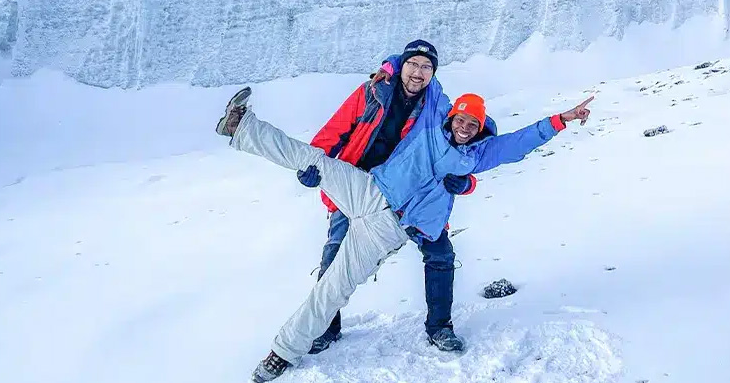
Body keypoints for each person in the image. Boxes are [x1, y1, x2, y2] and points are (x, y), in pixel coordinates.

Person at [215, 78, 592, 382]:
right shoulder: (431, 122)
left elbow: (519, 142)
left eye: (472, 124)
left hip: (387, 230)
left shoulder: (477, 155)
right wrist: (389, 66)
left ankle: (280, 354)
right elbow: (422, 67)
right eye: (461, 119)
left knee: (334, 287)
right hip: (368, 190)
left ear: (479, 129)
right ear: (451, 116)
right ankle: (241, 127)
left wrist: (562, 119)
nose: (464, 126)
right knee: (315, 160)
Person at [298, 40, 477, 354]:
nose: (418, 73)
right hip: (357, 187)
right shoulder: (372, 92)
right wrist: (310, 165)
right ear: (402, 65)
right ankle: (327, 328)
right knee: (334, 256)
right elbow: (334, 130)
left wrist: (466, 182)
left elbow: (466, 148)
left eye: (426, 67)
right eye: (412, 64)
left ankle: (439, 327)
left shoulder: (437, 109)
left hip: (410, 196)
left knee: (440, 253)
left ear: (433, 74)